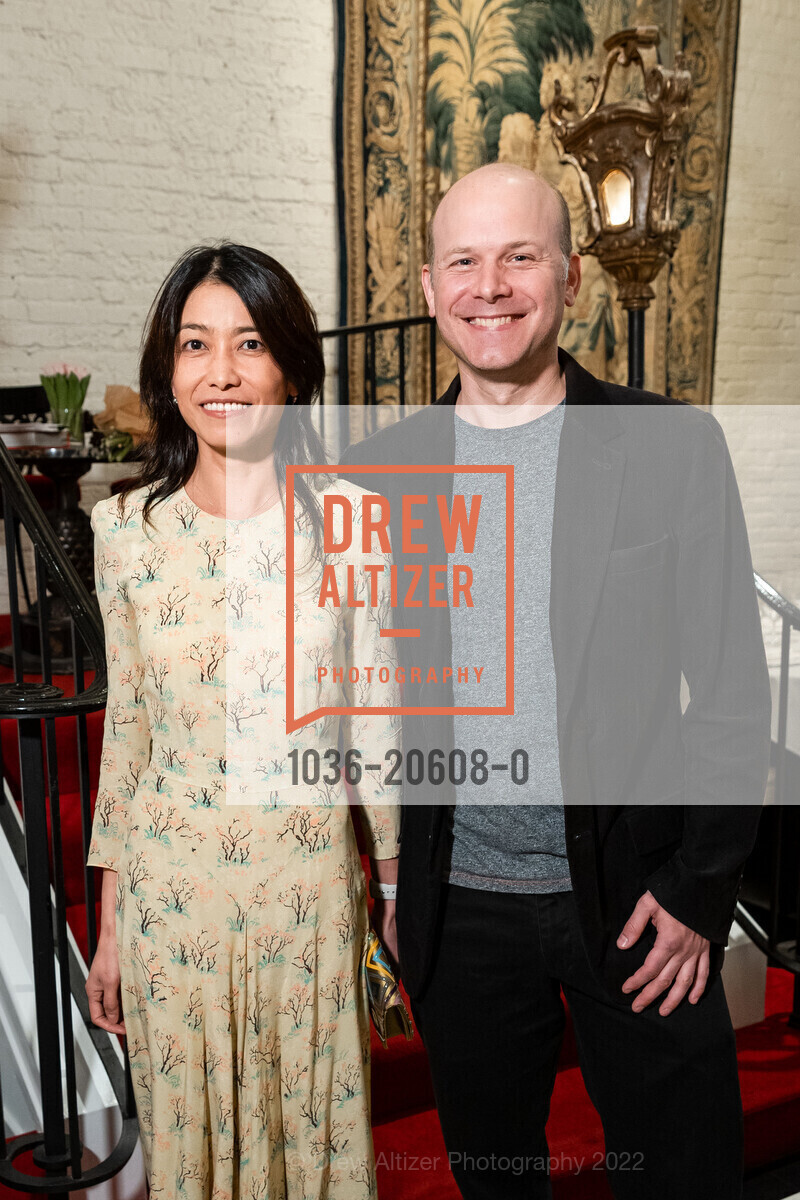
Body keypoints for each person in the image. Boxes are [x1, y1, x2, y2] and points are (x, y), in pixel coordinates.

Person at [341, 164, 771, 1199]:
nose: (489, 285)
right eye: (463, 261)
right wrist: (397, 889)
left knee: (682, 1179)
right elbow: (370, 705)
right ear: (430, 283)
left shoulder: (669, 447)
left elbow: (727, 691)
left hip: (638, 906)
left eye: (518, 256)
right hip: (463, 919)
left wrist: (698, 893)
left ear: (570, 276)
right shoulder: (385, 471)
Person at [84, 242, 401, 1200]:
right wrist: (108, 923)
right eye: (194, 345)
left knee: (316, 1150)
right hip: (170, 901)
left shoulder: (349, 522)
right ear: (167, 370)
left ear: (292, 370)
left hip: (302, 895)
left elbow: (377, 723)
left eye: (249, 343)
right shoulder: (126, 532)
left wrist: (393, 889)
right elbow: (128, 726)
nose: (220, 372)